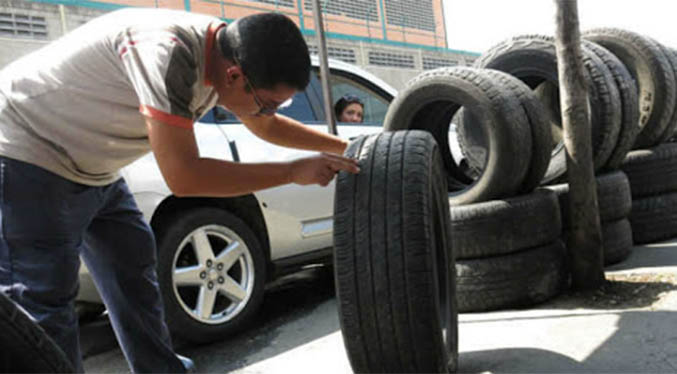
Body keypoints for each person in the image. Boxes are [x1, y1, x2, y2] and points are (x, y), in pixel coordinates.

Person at [0, 7, 359, 373]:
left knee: (133, 266)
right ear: (235, 76)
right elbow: (185, 177)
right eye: (269, 103)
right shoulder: (168, 54)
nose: (269, 112)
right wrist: (292, 172)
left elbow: (264, 126)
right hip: (26, 153)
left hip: (93, 165)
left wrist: (344, 148)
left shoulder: (225, 58)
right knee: (44, 303)